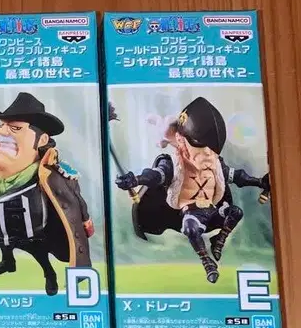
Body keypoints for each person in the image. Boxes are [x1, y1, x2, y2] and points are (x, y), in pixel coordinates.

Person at [115, 96, 270, 282]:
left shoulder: (215, 165)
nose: (207, 153)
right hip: (191, 213)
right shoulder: (174, 164)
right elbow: (156, 175)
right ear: (182, 142)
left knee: (235, 212)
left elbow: (238, 176)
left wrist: (260, 182)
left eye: (210, 149)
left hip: (212, 211)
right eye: (201, 146)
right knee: (190, 227)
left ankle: (218, 240)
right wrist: (135, 179)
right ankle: (207, 262)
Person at [0, 92, 94, 295]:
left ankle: (49, 274)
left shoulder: (50, 175)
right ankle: (8, 262)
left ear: (42, 139)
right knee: (4, 242)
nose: (2, 133)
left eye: (15, 128)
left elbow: (74, 197)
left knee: (38, 251)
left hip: (34, 230)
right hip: (2, 228)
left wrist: (85, 219)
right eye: (1, 126)